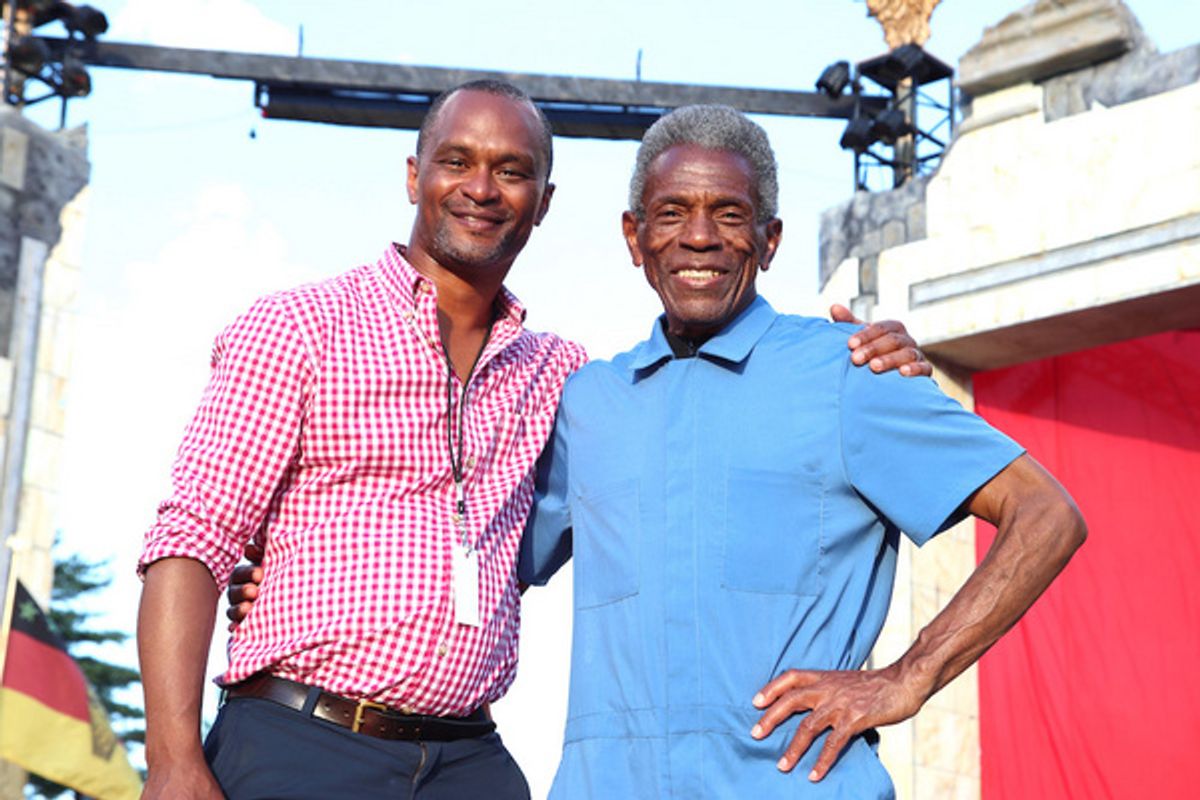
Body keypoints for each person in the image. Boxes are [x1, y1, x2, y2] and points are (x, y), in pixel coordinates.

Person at [137, 82, 928, 800]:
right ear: (414, 177)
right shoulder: (297, 329)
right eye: (457, 161)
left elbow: (667, 449)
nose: (481, 188)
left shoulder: (565, 379)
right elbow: (193, 537)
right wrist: (173, 758)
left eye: (511, 170)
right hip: (304, 741)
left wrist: (880, 359)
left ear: (543, 201)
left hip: (468, 761)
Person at [516, 105, 1087, 798]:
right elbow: (489, 555)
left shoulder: (851, 374)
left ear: (770, 238)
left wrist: (907, 678)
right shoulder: (588, 404)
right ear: (635, 237)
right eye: (672, 213)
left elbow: (1046, 513)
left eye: (729, 214)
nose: (700, 238)